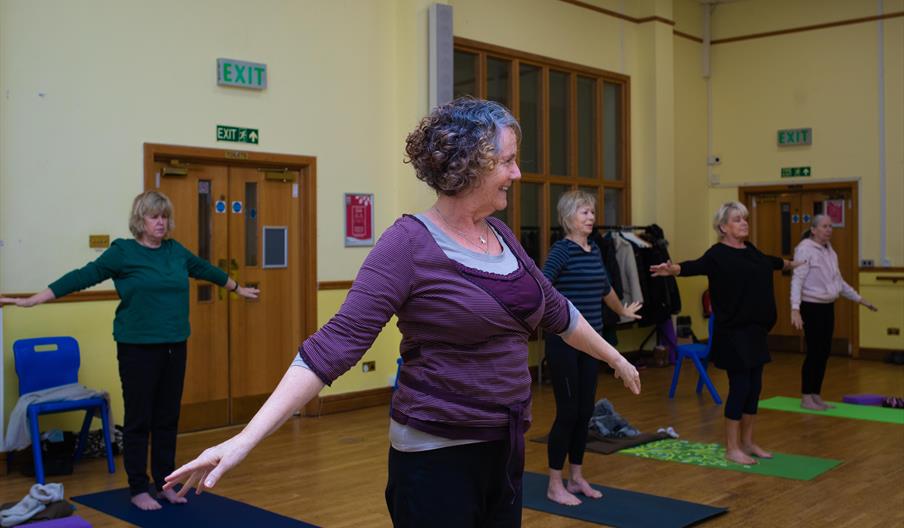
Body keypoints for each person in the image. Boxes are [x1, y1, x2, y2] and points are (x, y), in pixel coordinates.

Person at [163, 98, 641, 528]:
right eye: (509, 160)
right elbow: (332, 347)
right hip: (436, 457)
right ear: (471, 164)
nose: (517, 173)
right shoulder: (407, 244)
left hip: (505, 446)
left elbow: (558, 312)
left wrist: (614, 358)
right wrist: (243, 440)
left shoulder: (502, 236)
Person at [0, 191, 259, 511]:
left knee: (167, 418)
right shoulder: (122, 253)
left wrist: (237, 288)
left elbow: (206, 270)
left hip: (174, 346)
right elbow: (82, 276)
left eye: (164, 216)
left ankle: (166, 483)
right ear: (140, 220)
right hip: (137, 348)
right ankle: (138, 488)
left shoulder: (175, 252)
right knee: (139, 420)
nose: (161, 222)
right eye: (154, 216)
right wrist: (34, 299)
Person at [650, 201, 799, 465]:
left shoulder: (751, 251)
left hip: (756, 331)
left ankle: (749, 442)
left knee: (755, 388)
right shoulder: (717, 254)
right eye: (737, 219)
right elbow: (694, 266)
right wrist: (672, 269)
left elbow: (769, 262)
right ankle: (732, 447)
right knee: (740, 387)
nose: (744, 223)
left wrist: (792, 264)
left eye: (745, 219)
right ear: (723, 227)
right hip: (732, 333)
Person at [542, 190, 641, 506]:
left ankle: (577, 477)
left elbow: (605, 288)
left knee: (585, 412)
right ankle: (554, 484)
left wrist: (623, 310)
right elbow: (542, 288)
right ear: (568, 216)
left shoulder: (594, 250)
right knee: (568, 412)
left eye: (592, 212)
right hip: (564, 343)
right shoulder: (562, 251)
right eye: (584, 212)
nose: (590, 217)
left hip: (592, 344)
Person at [791, 214, 877, 410]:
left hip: (827, 306)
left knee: (823, 352)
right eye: (824, 226)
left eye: (831, 226)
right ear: (814, 230)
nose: (829, 229)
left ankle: (816, 394)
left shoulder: (830, 251)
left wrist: (860, 299)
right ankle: (806, 396)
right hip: (811, 306)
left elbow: (838, 282)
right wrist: (795, 309)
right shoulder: (804, 249)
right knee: (814, 352)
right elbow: (797, 280)